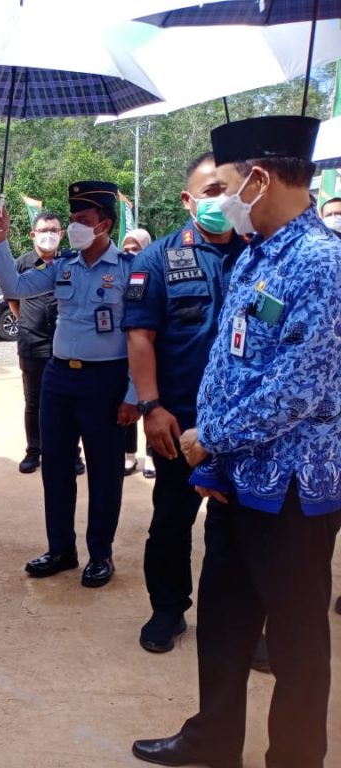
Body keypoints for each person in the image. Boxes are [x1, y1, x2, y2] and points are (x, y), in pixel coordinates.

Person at [132, 115, 341, 768]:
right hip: (234, 480)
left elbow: (298, 389)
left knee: (297, 643)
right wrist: (215, 459)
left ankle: (295, 758)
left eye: (223, 186)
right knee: (223, 623)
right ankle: (213, 738)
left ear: (259, 180)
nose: (218, 201)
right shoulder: (256, 253)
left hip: (292, 492)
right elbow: (235, 360)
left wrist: (211, 437)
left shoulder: (322, 263)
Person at [123, 154, 247, 655]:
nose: (222, 199)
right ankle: (168, 609)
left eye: (229, 189)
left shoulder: (259, 252)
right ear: (187, 199)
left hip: (243, 421)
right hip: (178, 417)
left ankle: (237, 620)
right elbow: (140, 337)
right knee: (172, 519)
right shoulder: (158, 260)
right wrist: (150, 407)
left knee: (239, 526)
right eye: (210, 190)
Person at [0, 182, 139, 589]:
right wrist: (0, 242)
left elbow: (141, 336)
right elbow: (14, 288)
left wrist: (133, 394)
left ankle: (100, 554)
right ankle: (61, 549)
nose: (74, 227)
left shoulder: (128, 269)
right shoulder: (63, 266)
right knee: (55, 467)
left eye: (82, 220)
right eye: (72, 219)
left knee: (104, 473)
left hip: (105, 380)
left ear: (105, 224)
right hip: (58, 378)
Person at [8, 212, 84, 477]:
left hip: (66, 344)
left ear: (62, 234)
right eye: (43, 230)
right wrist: (28, 321)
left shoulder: (71, 261)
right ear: (33, 234)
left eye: (54, 230)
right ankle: (34, 451)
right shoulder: (22, 264)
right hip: (32, 342)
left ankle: (72, 453)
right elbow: (13, 299)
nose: (48, 234)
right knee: (34, 401)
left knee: (70, 401)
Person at [119, 228, 154, 479]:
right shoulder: (118, 274)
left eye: (136, 249)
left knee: (150, 402)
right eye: (127, 249)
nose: (131, 253)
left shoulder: (156, 272)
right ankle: (129, 455)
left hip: (151, 349)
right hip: (125, 348)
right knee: (127, 401)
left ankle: (151, 456)